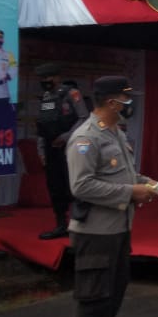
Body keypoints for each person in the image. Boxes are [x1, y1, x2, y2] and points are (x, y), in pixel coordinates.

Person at [66, 76, 158, 317]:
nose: (128, 105)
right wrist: (130, 193)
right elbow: (81, 185)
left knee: (114, 288)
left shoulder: (115, 133)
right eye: (125, 99)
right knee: (93, 293)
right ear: (111, 102)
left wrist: (144, 182)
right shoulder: (86, 137)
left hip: (118, 228)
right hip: (95, 231)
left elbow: (124, 174)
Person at [36, 63, 88, 240]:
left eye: (48, 77)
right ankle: (60, 225)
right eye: (43, 79)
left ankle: (79, 225)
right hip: (52, 151)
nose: (46, 81)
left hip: (71, 147)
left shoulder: (72, 94)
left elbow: (83, 118)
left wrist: (66, 137)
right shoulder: (46, 98)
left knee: (74, 186)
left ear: (57, 77)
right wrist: (42, 151)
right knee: (55, 187)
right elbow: (43, 126)